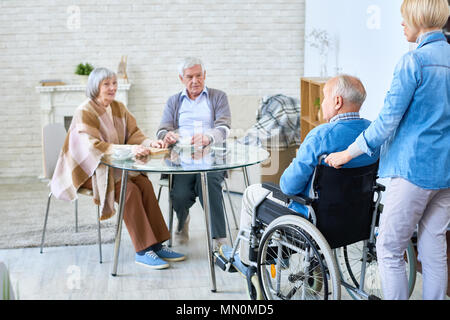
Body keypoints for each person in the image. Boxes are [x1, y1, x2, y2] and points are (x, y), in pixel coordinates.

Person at [325, 0, 450, 300]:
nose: (402, 24)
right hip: (446, 174)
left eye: (404, 17)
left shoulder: (414, 62)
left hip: (412, 171)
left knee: (390, 248)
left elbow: (385, 124)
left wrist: (346, 154)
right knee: (434, 252)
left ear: (418, 18)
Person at [235, 75, 380, 266]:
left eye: (324, 97)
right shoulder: (372, 133)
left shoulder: (321, 136)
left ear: (337, 101)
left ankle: (244, 258)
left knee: (252, 193)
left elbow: (288, 187)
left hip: (314, 220)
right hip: (357, 219)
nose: (322, 104)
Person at [50, 67, 185, 270]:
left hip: (111, 166)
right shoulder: (84, 111)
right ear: (95, 87)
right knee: (128, 190)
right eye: (107, 84)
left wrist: (150, 143)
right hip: (86, 170)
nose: (112, 88)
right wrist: (131, 149)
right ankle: (142, 250)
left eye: (114, 83)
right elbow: (92, 147)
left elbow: (135, 135)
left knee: (144, 184)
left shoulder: (119, 108)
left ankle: (156, 245)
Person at [156, 57, 231, 248]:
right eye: (189, 76)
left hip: (212, 156)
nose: (195, 80)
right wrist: (168, 136)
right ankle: (182, 221)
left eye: (199, 75)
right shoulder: (174, 101)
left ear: (204, 75)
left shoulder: (218, 96)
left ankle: (219, 238)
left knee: (210, 183)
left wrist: (208, 137)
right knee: (179, 194)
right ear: (181, 78)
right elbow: (162, 129)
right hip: (182, 158)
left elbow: (224, 127)